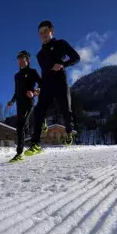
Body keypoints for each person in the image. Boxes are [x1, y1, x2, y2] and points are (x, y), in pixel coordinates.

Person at [24, 20, 80, 156]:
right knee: (38, 112)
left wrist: (62, 65)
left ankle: (68, 133)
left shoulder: (60, 44)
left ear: (51, 32)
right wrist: (39, 87)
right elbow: (44, 73)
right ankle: (35, 144)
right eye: (40, 32)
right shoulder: (39, 55)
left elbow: (76, 57)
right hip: (47, 86)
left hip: (60, 82)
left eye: (45, 31)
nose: (43, 34)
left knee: (66, 111)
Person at [7, 50, 45, 163]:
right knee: (23, 126)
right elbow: (16, 91)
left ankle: (19, 153)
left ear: (27, 59)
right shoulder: (17, 76)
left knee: (21, 126)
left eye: (22, 58)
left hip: (29, 102)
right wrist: (12, 101)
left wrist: (34, 92)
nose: (20, 60)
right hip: (19, 104)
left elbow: (42, 84)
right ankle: (41, 124)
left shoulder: (33, 72)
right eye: (18, 58)